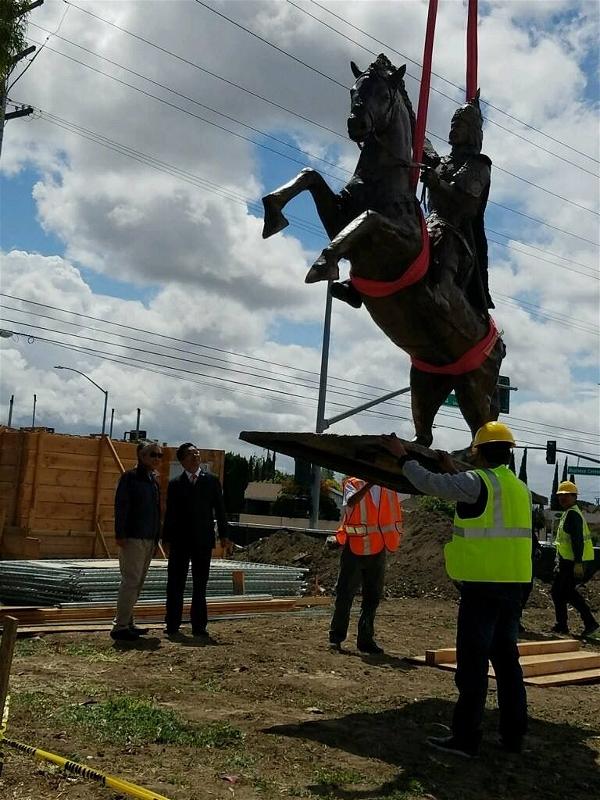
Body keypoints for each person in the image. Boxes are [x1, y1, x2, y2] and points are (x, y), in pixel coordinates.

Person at [382, 421, 531, 758]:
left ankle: (465, 738)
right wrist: (452, 468)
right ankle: (514, 736)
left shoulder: (477, 482)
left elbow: (430, 483)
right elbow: (477, 499)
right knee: (508, 664)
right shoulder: (518, 487)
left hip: (482, 587)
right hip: (514, 588)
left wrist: (403, 457)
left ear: (479, 453)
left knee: (473, 666)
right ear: (509, 454)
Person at [421, 92, 493, 316]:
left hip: (457, 231)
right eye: (453, 123)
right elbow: (421, 142)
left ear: (472, 130)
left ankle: (444, 289)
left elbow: (467, 203)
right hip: (429, 222)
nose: (454, 128)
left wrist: (437, 184)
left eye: (460, 124)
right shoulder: (441, 162)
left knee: (445, 238)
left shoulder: (479, 165)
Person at [162, 443, 231, 638]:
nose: (196, 456)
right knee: (175, 583)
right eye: (191, 454)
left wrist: (224, 535)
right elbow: (170, 514)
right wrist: (166, 538)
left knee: (200, 584)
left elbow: (220, 509)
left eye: (197, 453)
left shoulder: (211, 481)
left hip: (202, 540)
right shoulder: (176, 484)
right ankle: (172, 623)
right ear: (182, 460)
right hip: (180, 540)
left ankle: (199, 625)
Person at [329, 476, 403, 654]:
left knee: (372, 596)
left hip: (378, 548)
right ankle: (336, 637)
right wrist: (370, 483)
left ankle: (366, 640)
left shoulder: (388, 487)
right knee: (345, 593)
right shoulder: (353, 483)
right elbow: (351, 502)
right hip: (355, 548)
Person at [111, 442, 162, 641]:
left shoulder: (153, 480)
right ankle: (120, 626)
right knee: (131, 581)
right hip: (133, 537)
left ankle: (128, 621)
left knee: (138, 582)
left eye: (159, 455)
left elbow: (156, 511)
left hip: (148, 537)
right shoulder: (130, 478)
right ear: (142, 456)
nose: (157, 458)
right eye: (153, 454)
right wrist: (120, 534)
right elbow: (121, 506)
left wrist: (156, 537)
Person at [550, 481, 598, 637]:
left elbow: (578, 540)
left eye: (566, 495)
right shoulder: (569, 513)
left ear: (574, 497)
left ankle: (587, 623)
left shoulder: (572, 515)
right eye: (560, 495)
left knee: (562, 592)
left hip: (573, 562)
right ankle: (566, 624)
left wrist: (578, 563)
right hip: (568, 561)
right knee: (562, 592)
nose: (562, 498)